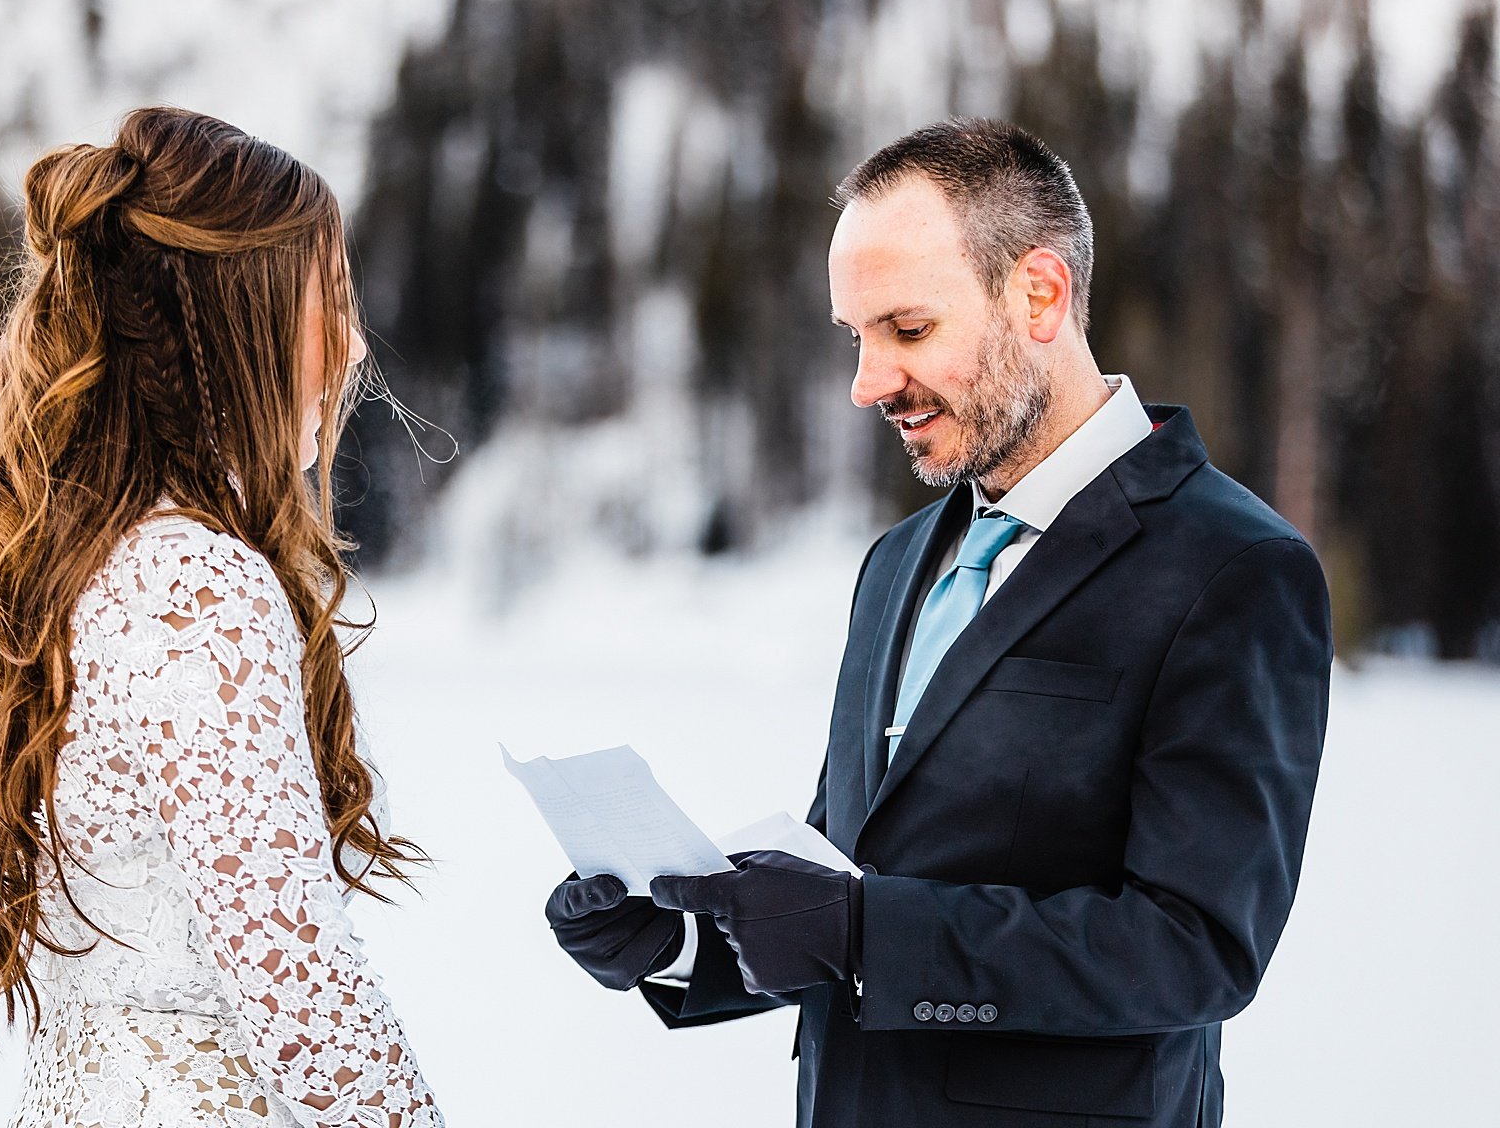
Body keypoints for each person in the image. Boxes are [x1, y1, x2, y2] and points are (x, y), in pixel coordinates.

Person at [545, 118, 1332, 1128]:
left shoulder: (1234, 570)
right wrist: (684, 941)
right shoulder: (895, 564)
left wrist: (870, 932)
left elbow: (1195, 947)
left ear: (1038, 294)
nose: (868, 384)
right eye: (857, 338)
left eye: (907, 330)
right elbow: (846, 872)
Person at [0, 106, 442, 1127]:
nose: (351, 349)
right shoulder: (196, 590)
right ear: (235, 315)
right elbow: (302, 992)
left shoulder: (87, 563)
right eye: (328, 302)